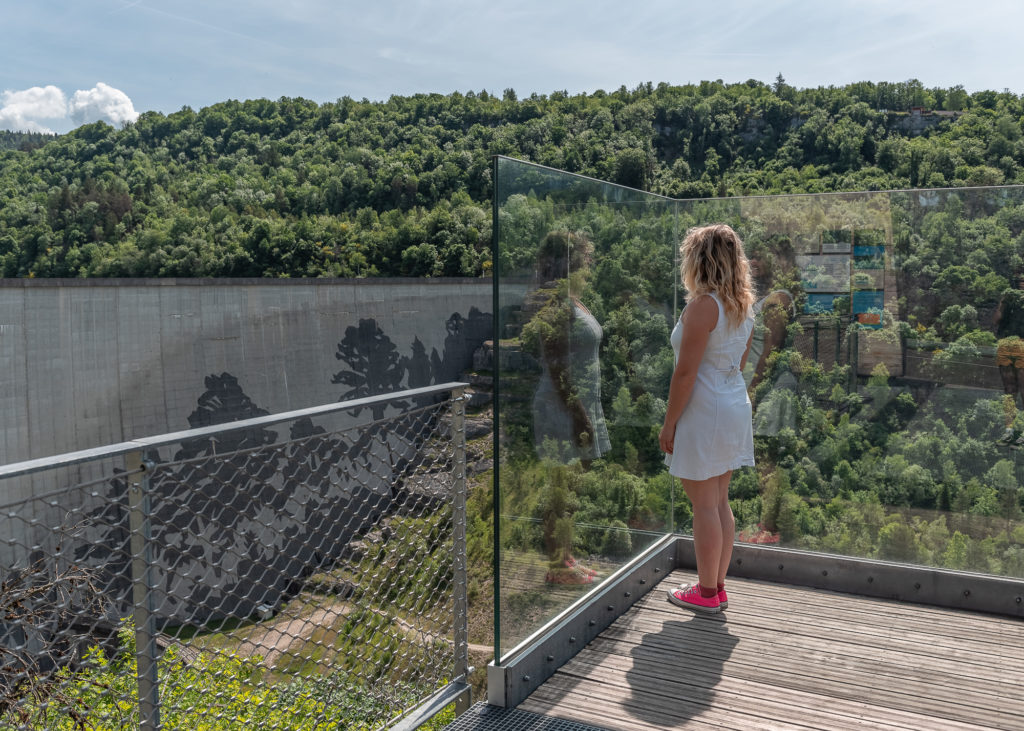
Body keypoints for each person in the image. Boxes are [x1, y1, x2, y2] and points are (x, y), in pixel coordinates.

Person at [659, 224, 756, 613]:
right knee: (718, 500)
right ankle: (716, 588)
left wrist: (670, 424)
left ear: (699, 260)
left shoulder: (703, 306)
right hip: (733, 402)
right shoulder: (744, 305)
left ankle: (705, 592)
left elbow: (685, 374)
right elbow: (740, 361)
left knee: (703, 503)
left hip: (706, 407)